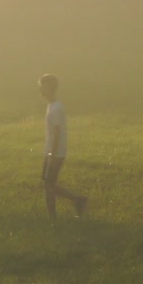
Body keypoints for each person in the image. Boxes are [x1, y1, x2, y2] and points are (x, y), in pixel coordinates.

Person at [39, 73, 88, 220]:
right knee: (48, 184)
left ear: (49, 87)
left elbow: (57, 133)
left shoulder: (56, 108)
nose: (40, 89)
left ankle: (53, 220)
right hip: (51, 151)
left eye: (42, 86)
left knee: (48, 185)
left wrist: (52, 155)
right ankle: (77, 200)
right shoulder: (52, 106)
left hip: (55, 153)